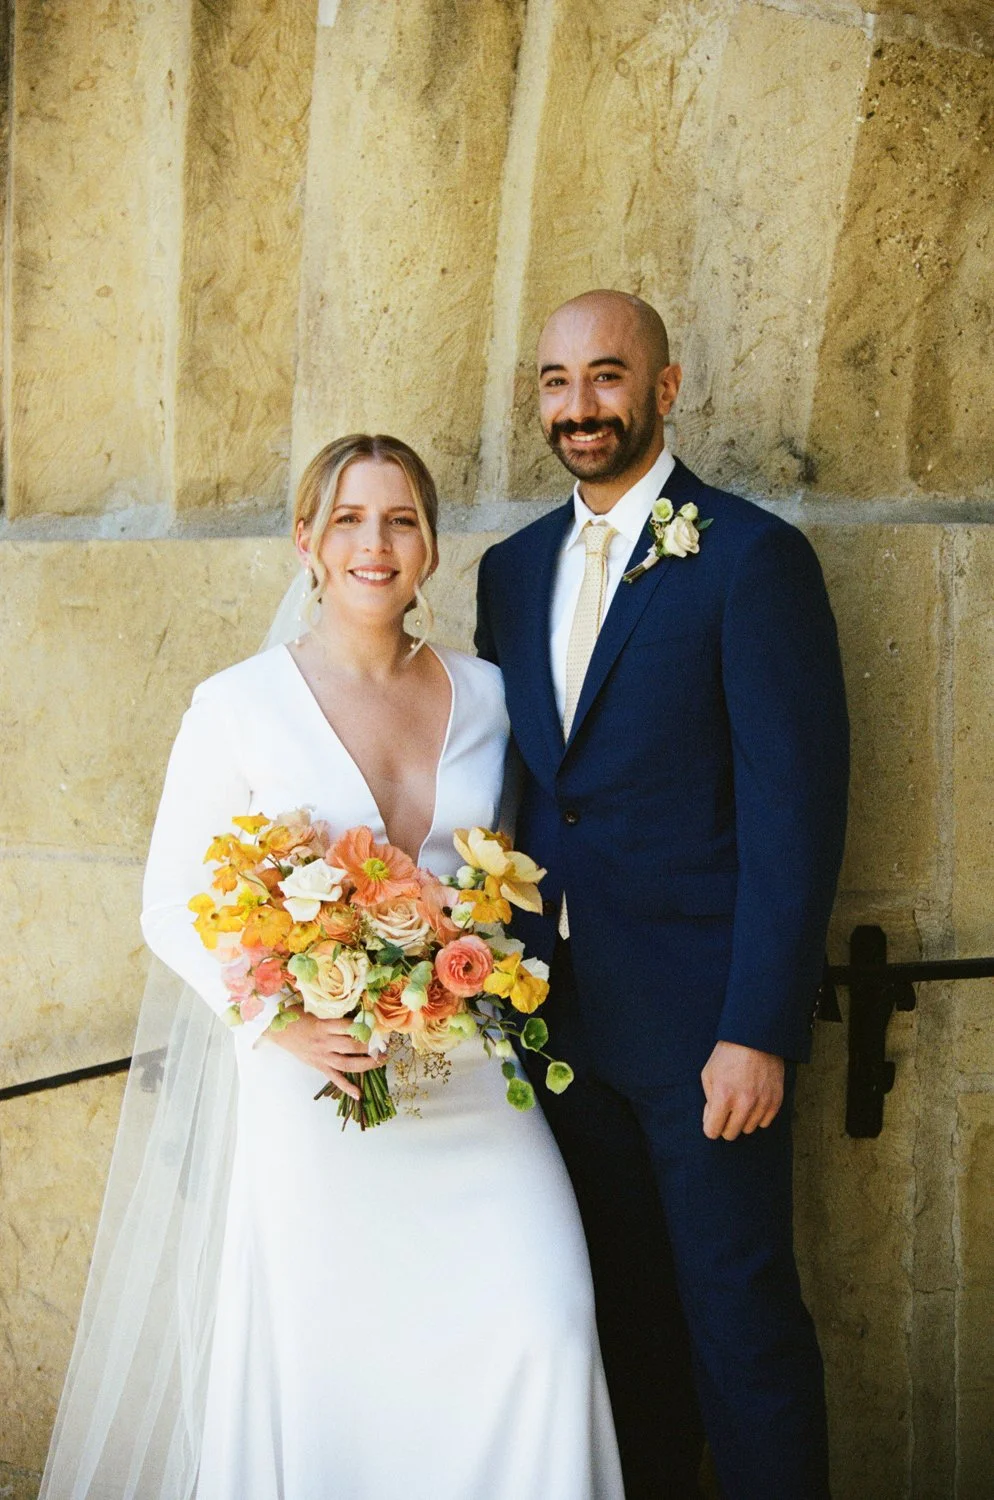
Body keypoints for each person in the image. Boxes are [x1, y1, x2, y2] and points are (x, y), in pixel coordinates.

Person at [41, 434, 623, 1500]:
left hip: (467, 1080)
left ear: (431, 548)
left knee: (545, 1318)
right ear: (306, 542)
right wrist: (274, 1020)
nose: (375, 543)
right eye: (349, 519)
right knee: (336, 1371)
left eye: (401, 520)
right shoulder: (236, 706)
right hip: (317, 1086)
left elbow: (518, 870)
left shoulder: (493, 697)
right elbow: (170, 901)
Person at [475, 290, 850, 1500]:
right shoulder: (508, 572)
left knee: (739, 1319)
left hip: (704, 1032)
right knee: (617, 1321)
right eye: (555, 381)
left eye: (606, 375)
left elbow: (794, 816)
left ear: (665, 387)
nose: (579, 406)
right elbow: (526, 791)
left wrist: (757, 1028)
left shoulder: (749, 558)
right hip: (558, 1023)